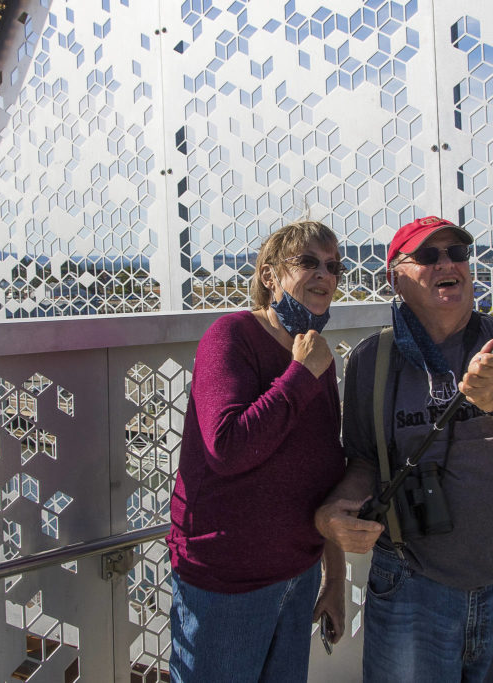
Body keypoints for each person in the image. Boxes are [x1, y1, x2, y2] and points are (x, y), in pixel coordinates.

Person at [315, 216, 493, 682]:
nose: (447, 263)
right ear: (394, 277)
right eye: (428, 256)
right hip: (409, 586)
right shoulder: (371, 362)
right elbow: (364, 461)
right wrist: (338, 509)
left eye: (457, 253)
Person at [167, 219, 348, 682]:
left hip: (298, 575)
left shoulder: (316, 356)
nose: (324, 275)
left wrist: (334, 575)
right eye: (307, 262)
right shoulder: (232, 336)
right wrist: (300, 373)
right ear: (269, 276)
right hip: (227, 584)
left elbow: (325, 473)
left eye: (333, 266)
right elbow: (227, 448)